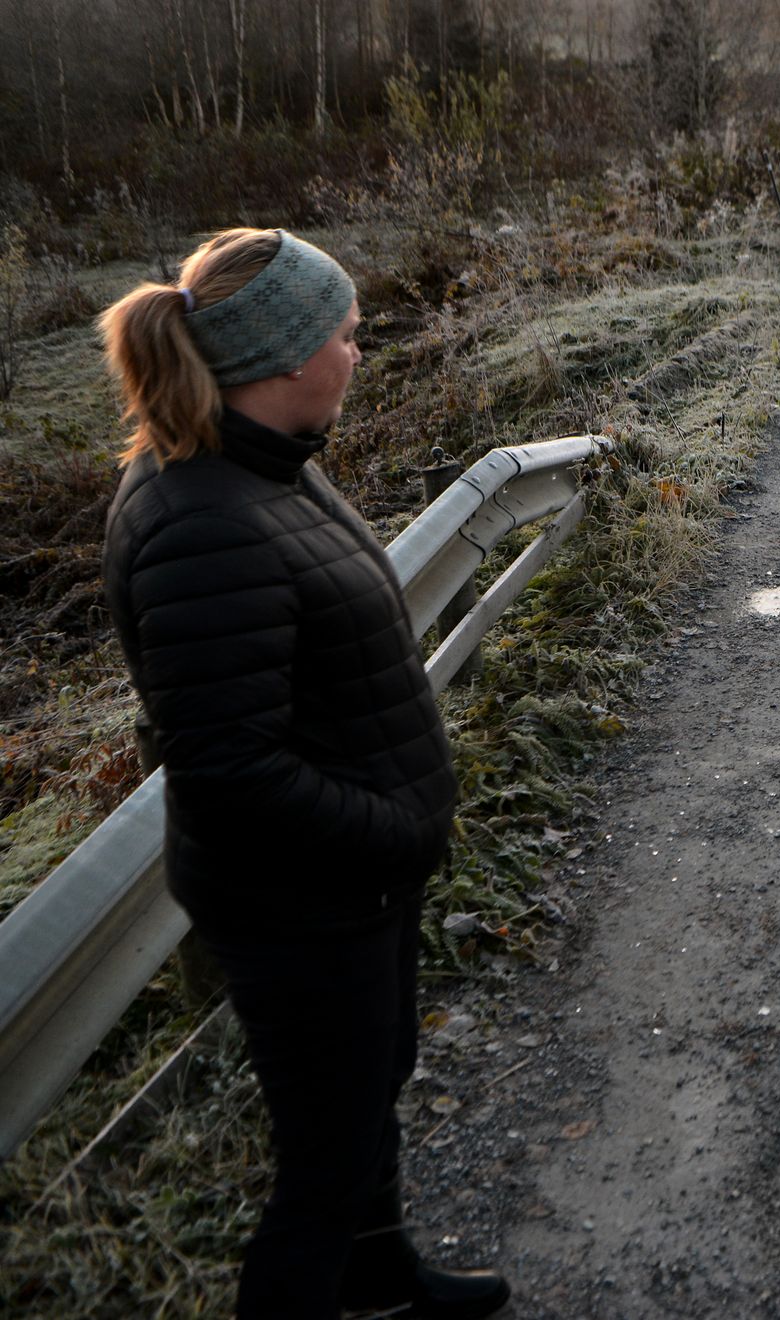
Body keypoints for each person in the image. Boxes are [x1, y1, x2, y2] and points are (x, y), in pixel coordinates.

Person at [98, 229, 509, 1320]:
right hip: (305, 905)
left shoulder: (264, 464)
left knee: (366, 1099)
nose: (357, 353)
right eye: (345, 335)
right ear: (284, 360)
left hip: (350, 890)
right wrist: (394, 831)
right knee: (319, 1176)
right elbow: (230, 768)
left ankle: (379, 1284)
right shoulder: (203, 526)